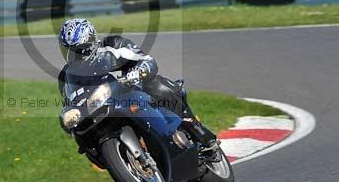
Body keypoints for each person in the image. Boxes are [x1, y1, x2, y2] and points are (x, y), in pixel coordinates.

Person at [57, 18, 219, 155]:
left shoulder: (113, 45)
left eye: (77, 50)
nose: (72, 56)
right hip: (104, 110)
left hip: (134, 92)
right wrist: (68, 118)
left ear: (90, 43)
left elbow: (147, 61)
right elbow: (70, 102)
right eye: (68, 51)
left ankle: (198, 132)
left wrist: (136, 73)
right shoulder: (66, 76)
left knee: (157, 86)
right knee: (84, 139)